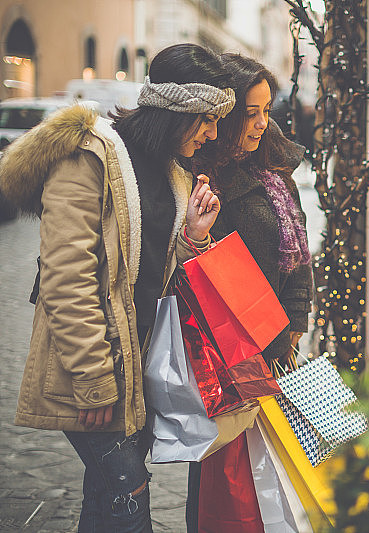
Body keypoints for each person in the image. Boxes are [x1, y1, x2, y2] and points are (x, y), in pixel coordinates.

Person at [0, 43, 235, 532]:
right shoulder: (87, 159)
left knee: (106, 495)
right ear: (177, 110)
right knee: (129, 495)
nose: (213, 133)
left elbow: (155, 274)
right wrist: (94, 380)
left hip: (135, 369)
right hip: (89, 368)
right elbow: (67, 281)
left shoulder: (173, 173)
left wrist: (193, 235)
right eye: (208, 119)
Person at [186, 53, 313, 532]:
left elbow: (299, 250)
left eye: (267, 110)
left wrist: (296, 319)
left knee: (278, 471)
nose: (263, 123)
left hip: (277, 344)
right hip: (226, 355)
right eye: (251, 112)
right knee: (226, 475)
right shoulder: (198, 174)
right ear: (226, 115)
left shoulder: (273, 166)